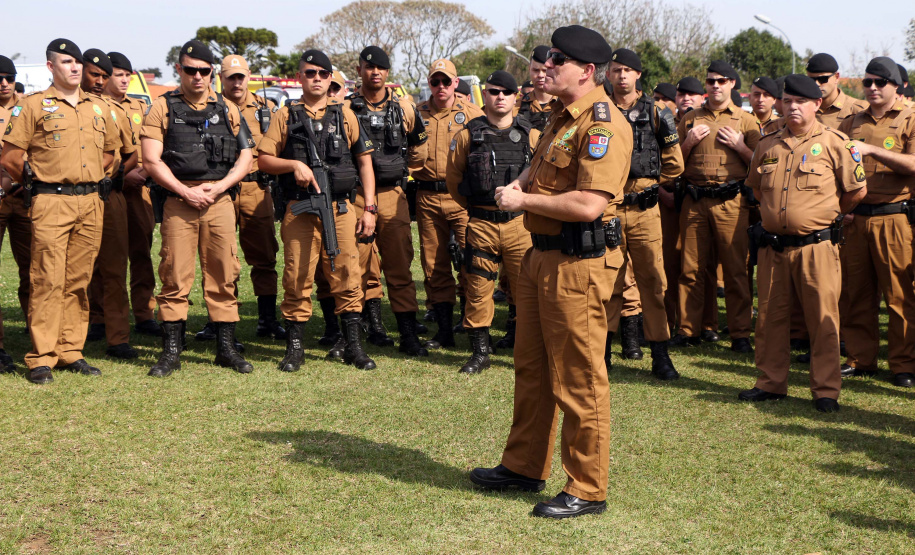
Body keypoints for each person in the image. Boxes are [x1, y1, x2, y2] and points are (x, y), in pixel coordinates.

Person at [470, 25, 632, 519]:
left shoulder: (602, 125)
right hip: (541, 257)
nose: (546, 66)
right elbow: (536, 169)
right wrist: (519, 184)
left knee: (579, 378)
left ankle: (587, 486)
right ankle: (523, 466)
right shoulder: (561, 117)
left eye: (557, 60)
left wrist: (524, 200)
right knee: (533, 369)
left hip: (578, 264)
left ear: (586, 71)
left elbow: (588, 203)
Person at [739, 74, 867, 412]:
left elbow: (856, 191)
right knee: (769, 318)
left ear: (817, 105)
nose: (792, 107)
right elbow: (754, 188)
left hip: (817, 248)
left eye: (801, 102)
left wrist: (827, 216)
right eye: (788, 101)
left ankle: (825, 390)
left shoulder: (835, 142)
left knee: (822, 319)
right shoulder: (767, 144)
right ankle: (770, 382)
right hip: (773, 248)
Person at [1, 38, 121, 384]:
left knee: (78, 280)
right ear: (51, 66)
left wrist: (88, 178)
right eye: (67, 61)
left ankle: (71, 350)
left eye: (77, 62)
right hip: (50, 201)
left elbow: (111, 153)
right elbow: (10, 157)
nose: (75, 67)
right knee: (46, 278)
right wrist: (41, 181)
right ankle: (42, 356)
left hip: (90, 201)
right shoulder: (34, 106)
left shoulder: (97, 108)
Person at [257, 49, 378, 372]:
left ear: (330, 78)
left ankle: (353, 345)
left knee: (348, 274)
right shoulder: (286, 116)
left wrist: (369, 208)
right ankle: (295, 348)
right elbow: (264, 158)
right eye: (310, 73)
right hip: (300, 209)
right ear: (300, 77)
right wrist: (293, 164)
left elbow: (364, 161)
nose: (316, 79)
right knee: (297, 276)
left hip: (340, 209)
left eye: (322, 74)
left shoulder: (344, 114)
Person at [140, 40, 255, 377]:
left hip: (219, 201)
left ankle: (226, 348)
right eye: (190, 70)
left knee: (224, 273)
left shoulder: (228, 109)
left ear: (211, 73)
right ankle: (171, 351)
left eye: (204, 71)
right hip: (179, 202)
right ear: (180, 70)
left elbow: (247, 156)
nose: (198, 76)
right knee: (174, 274)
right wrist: (183, 191)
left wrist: (219, 187)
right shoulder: (162, 107)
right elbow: (150, 159)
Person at [445, 70, 538, 374]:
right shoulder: (468, 135)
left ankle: (524, 347)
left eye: (506, 92)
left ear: (516, 97)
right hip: (481, 223)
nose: (500, 97)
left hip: (520, 225)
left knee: (525, 288)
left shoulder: (531, 135)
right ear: (485, 94)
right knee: (477, 288)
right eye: (494, 91)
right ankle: (479, 352)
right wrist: (477, 207)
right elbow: (454, 180)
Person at [345, 45, 431, 357]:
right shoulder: (346, 109)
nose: (375, 72)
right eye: (369, 67)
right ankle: (372, 326)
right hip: (355, 195)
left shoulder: (405, 109)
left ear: (388, 72)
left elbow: (420, 145)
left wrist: (406, 171)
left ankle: (408, 334)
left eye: (381, 67)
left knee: (398, 266)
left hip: (393, 195)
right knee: (360, 264)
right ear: (359, 71)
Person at [604, 48, 683, 379]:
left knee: (652, 280)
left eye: (628, 70)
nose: (622, 75)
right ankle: (603, 352)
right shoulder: (600, 111)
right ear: (608, 74)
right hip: (608, 209)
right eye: (617, 69)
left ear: (639, 75)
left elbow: (675, 163)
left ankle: (660, 354)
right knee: (607, 281)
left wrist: (649, 184)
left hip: (645, 210)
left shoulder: (657, 113)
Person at [672, 60, 760, 353]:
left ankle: (740, 334)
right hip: (695, 201)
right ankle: (688, 330)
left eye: (722, 81)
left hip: (731, 202)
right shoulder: (689, 119)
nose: (716, 86)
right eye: (711, 81)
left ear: (732, 84)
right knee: (691, 269)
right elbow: (673, 167)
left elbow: (762, 167)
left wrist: (740, 146)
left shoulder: (746, 122)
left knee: (735, 271)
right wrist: (688, 144)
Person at [838, 58, 915, 388]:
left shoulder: (911, 117)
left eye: (879, 82)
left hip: (895, 218)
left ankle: (903, 364)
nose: (871, 88)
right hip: (857, 219)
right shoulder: (852, 120)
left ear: (896, 86)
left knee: (899, 295)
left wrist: (872, 150)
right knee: (856, 294)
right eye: (867, 82)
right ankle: (860, 358)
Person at [409, 59, 483, 347]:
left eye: (446, 81)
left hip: (462, 199)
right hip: (427, 198)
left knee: (471, 260)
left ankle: (471, 321)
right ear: (429, 84)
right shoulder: (416, 114)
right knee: (434, 264)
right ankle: (443, 330)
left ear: (455, 83)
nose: (440, 87)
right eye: (435, 82)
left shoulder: (473, 114)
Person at [217, 54, 285, 341]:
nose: (236, 82)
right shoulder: (211, 107)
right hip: (221, 191)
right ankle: (219, 320)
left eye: (240, 76)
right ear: (220, 78)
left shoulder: (265, 109)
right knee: (220, 258)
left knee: (264, 257)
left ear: (249, 76)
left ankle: (267, 320)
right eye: (230, 77)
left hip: (257, 189)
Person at [81, 49, 140, 360]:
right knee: (77, 271)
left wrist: (117, 173)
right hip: (72, 198)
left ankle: (118, 337)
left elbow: (131, 153)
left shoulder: (114, 110)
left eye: (104, 76)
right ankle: (72, 338)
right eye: (95, 74)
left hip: (110, 196)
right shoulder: (56, 107)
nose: (99, 81)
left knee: (115, 268)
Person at [103, 51, 161, 338]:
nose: (124, 79)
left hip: (139, 189)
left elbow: (155, 144)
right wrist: (120, 176)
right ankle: (100, 316)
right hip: (107, 188)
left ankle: (144, 313)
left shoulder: (142, 106)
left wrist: (146, 172)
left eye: (128, 74)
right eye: (119, 74)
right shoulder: (96, 106)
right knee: (104, 256)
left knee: (141, 252)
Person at [0, 54, 28, 373]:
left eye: (9, 77)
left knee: (34, 272)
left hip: (24, 198)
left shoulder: (32, 107)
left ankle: (41, 338)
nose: (4, 83)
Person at [805, 53, 868, 129]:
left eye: (822, 79)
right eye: (811, 80)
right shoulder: (803, 109)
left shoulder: (859, 110)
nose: (817, 84)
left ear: (836, 77)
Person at [515, 46, 554, 132]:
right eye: (536, 70)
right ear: (529, 69)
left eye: (545, 70)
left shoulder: (564, 104)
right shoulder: (518, 107)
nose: (540, 75)